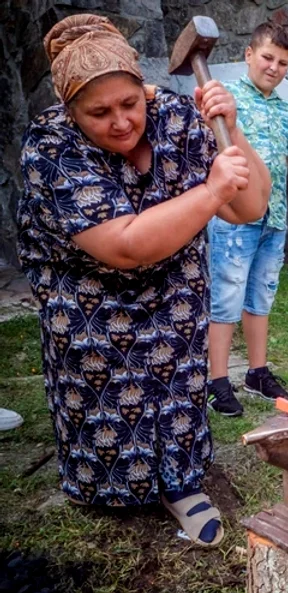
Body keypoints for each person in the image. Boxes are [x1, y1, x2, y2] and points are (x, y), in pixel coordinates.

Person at [17, 14, 270, 547]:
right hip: (91, 310)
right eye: (99, 113)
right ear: (70, 111)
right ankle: (102, 487)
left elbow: (250, 205)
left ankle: (180, 484)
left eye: (129, 104)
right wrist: (209, 193)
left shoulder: (176, 118)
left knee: (177, 397)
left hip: (175, 300)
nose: (120, 122)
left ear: (144, 88)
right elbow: (125, 246)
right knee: (105, 409)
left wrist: (232, 127)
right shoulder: (51, 148)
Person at [207, 22, 288, 413]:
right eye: (267, 57)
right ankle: (217, 381)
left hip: (273, 219)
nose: (274, 67)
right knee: (226, 297)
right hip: (234, 218)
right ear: (248, 54)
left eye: (283, 62)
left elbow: (284, 165)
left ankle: (257, 372)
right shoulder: (227, 102)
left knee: (260, 297)